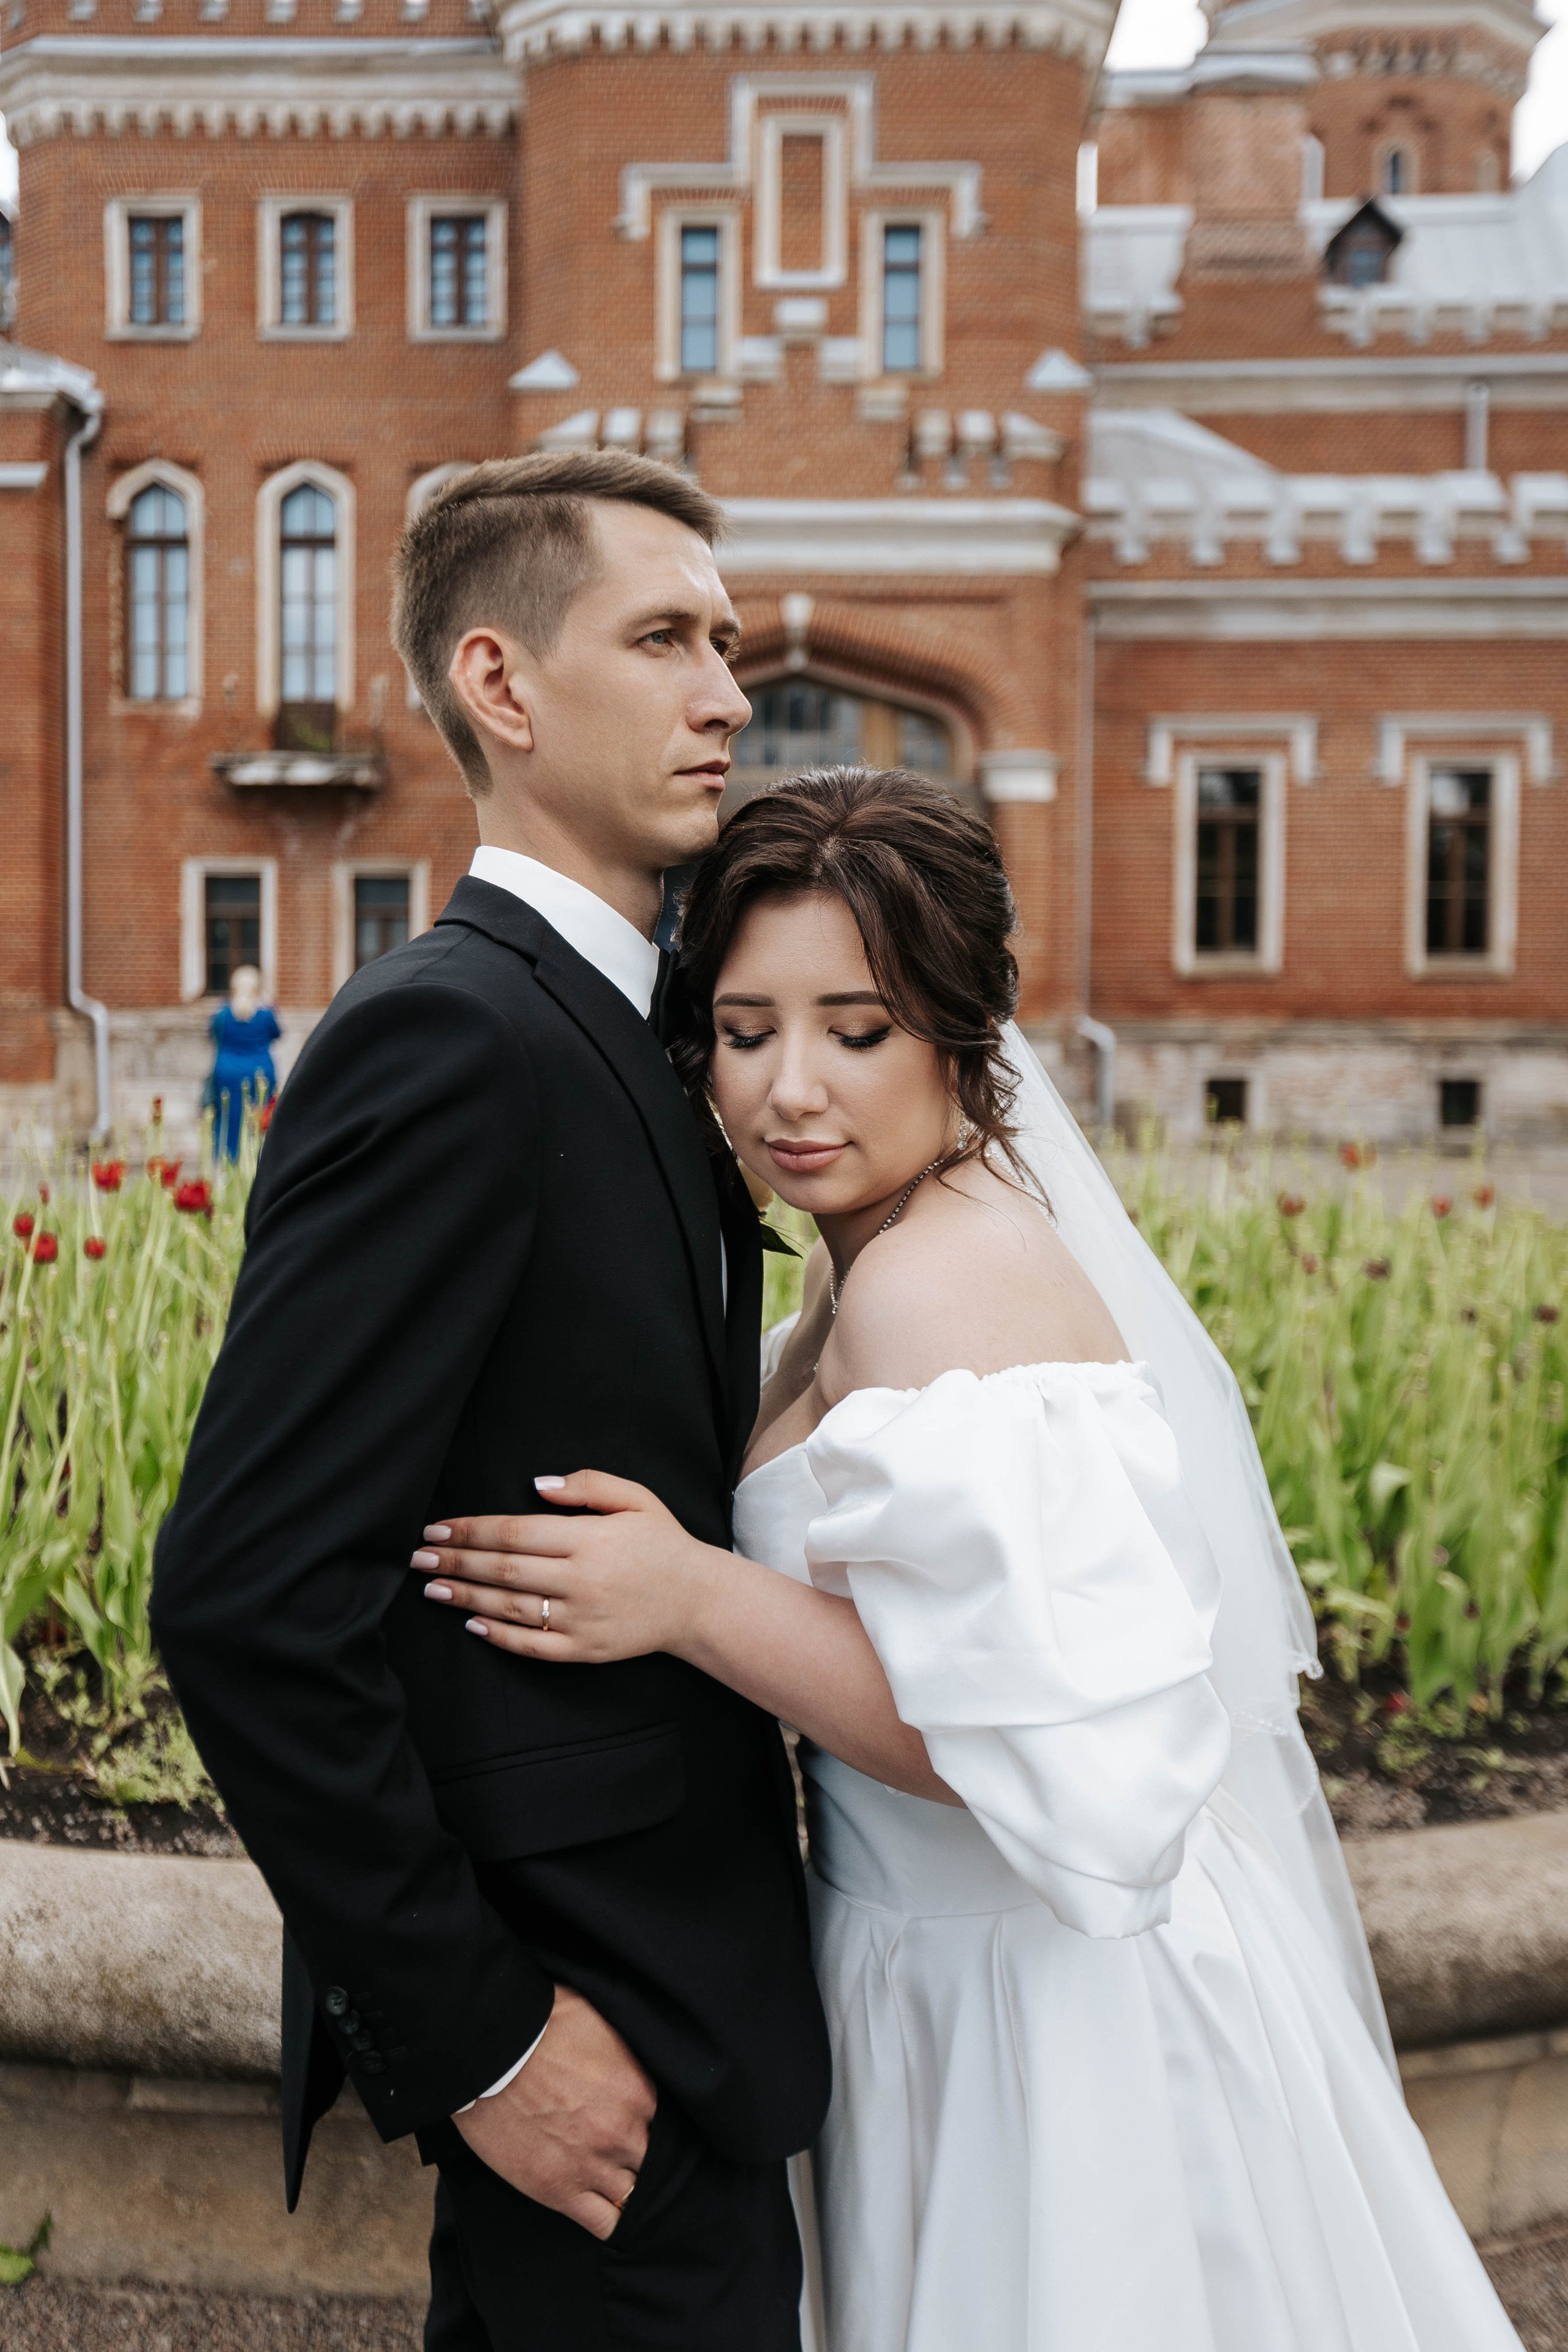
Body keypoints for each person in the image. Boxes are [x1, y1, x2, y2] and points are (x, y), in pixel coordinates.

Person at [418, 766, 1526, 2352]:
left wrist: (688, 1593)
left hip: (1034, 2002)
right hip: (919, 1950)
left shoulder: (946, 1286)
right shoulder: (877, 1256)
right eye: (745, 1032)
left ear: (960, 1028)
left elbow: (1009, 1731)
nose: (792, 1089)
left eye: (856, 1032)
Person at [151, 452, 830, 2352]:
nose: (726, 691)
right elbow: (244, 1592)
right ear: (503, 685)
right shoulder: (453, 1035)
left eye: (726, 641)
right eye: (665, 637)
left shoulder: (621, 1022)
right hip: (585, 2026)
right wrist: (489, 2039)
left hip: (694, 1991)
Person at [204, 963, 280, 1158]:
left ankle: (227, 1160)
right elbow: (277, 1033)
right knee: (261, 1120)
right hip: (260, 1072)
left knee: (229, 1119)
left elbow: (212, 1034)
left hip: (228, 1072)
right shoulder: (265, 1014)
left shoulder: (223, 1014)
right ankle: (258, 1159)